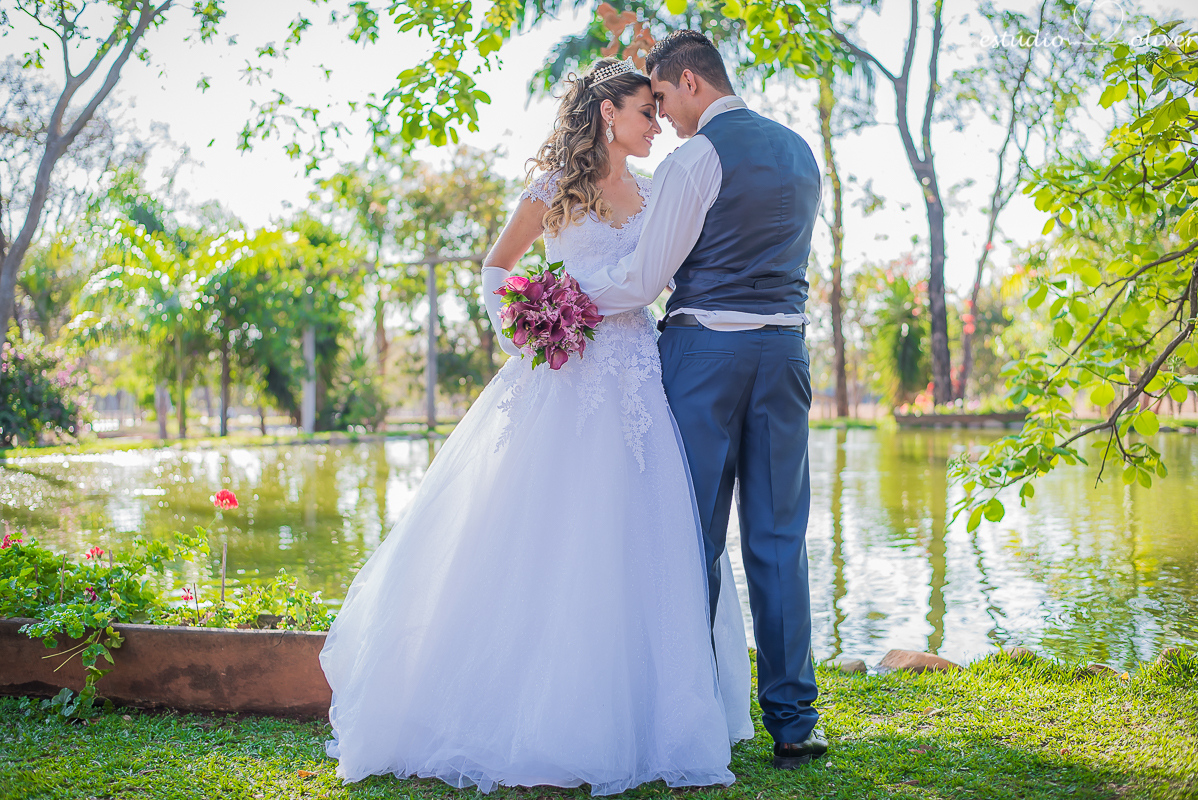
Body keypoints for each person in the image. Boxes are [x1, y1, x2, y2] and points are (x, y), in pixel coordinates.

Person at [318, 56, 753, 796]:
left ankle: (653, 715)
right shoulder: (553, 190)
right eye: (646, 111)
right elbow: (497, 268)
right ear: (609, 114)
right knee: (546, 535)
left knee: (642, 535)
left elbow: (665, 279)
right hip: (563, 375)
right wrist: (531, 325)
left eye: (658, 111)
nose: (656, 125)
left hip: (638, 380)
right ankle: (523, 712)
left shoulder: (654, 195)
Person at [576, 30, 828, 769]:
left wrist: (564, 298)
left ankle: (683, 716)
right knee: (780, 537)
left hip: (706, 358)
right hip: (784, 354)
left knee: (688, 534)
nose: (665, 120)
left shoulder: (697, 159)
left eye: (661, 101)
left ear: (690, 82)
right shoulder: (799, 152)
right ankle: (793, 721)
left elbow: (645, 278)